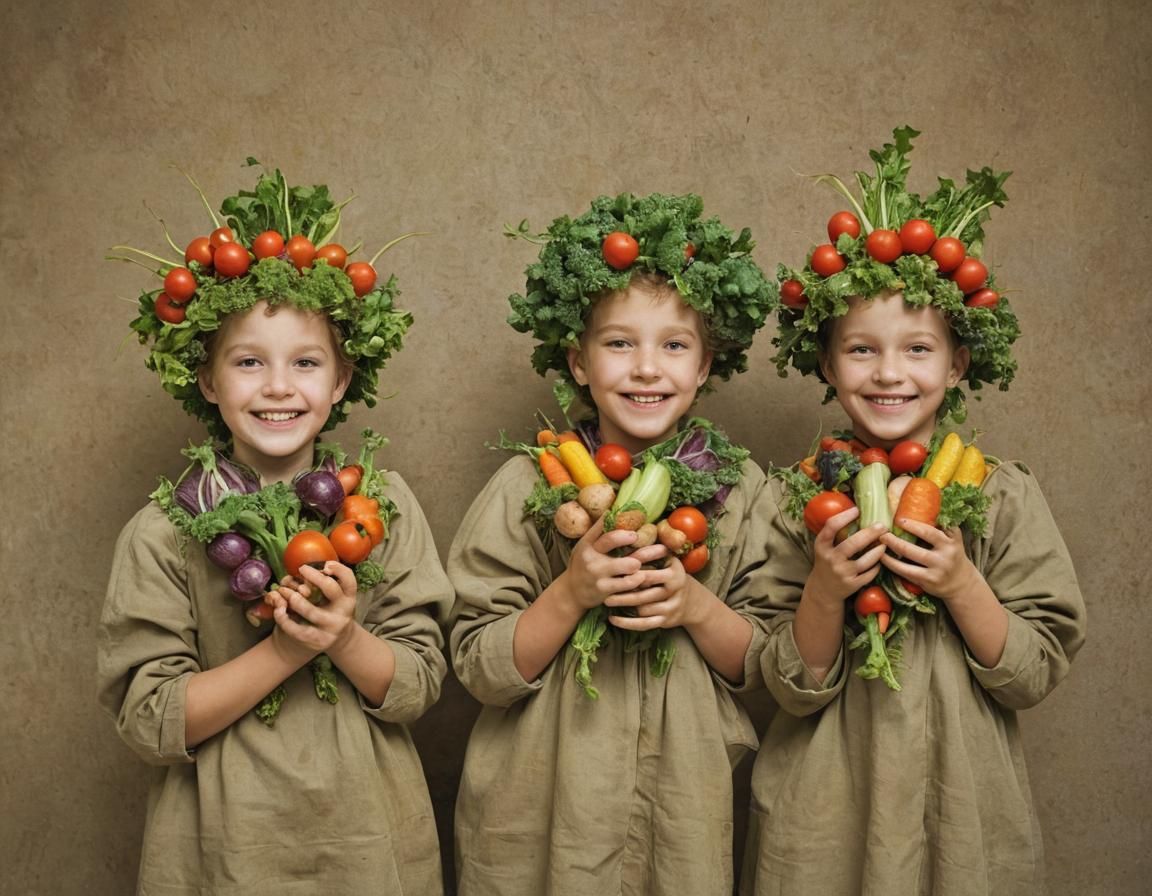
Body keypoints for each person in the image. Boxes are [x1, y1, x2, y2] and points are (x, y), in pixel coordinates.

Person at [741, 127, 1087, 895]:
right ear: (827, 364)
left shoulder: (1002, 493)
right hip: (824, 813)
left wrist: (962, 582)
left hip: (962, 815)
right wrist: (827, 590)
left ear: (958, 362)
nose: (889, 373)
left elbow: (1033, 673)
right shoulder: (794, 495)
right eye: (861, 350)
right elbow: (785, 682)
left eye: (919, 351)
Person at [97, 165, 452, 895]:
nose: (280, 387)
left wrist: (345, 638)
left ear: (343, 379)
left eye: (307, 363)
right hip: (222, 849)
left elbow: (417, 686)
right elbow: (150, 721)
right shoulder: (162, 532)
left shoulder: (384, 504)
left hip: (369, 838)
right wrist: (289, 650)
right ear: (206, 380)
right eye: (249, 362)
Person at [448, 193, 778, 895]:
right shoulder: (525, 483)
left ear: (704, 366)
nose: (647, 368)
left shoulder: (744, 489)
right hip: (542, 801)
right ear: (578, 361)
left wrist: (692, 604)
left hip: (680, 801)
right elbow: (477, 665)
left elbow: (769, 665)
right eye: (619, 343)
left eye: (675, 346)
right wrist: (571, 591)